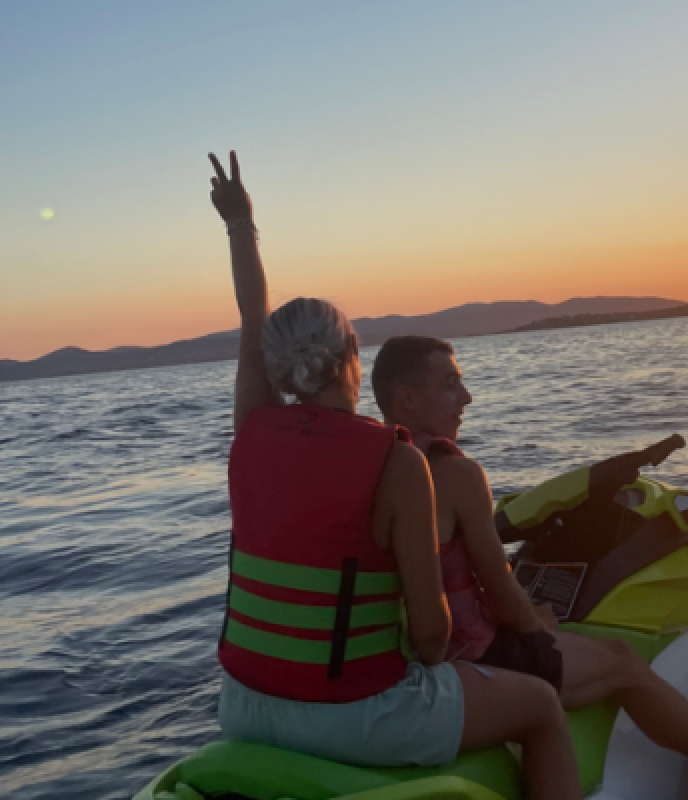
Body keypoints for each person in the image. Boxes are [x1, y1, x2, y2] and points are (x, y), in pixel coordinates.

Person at [206, 151, 580, 800]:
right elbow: (432, 635)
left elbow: (250, 318)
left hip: (243, 706)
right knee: (543, 709)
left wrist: (240, 224)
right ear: (355, 360)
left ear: (281, 366)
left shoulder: (252, 430)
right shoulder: (396, 460)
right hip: (358, 714)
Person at [371, 335, 688, 792]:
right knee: (620, 661)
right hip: (470, 655)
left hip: (404, 657)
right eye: (450, 385)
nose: (466, 397)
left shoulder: (375, 467)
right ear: (406, 398)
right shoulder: (454, 474)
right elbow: (501, 591)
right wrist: (536, 627)